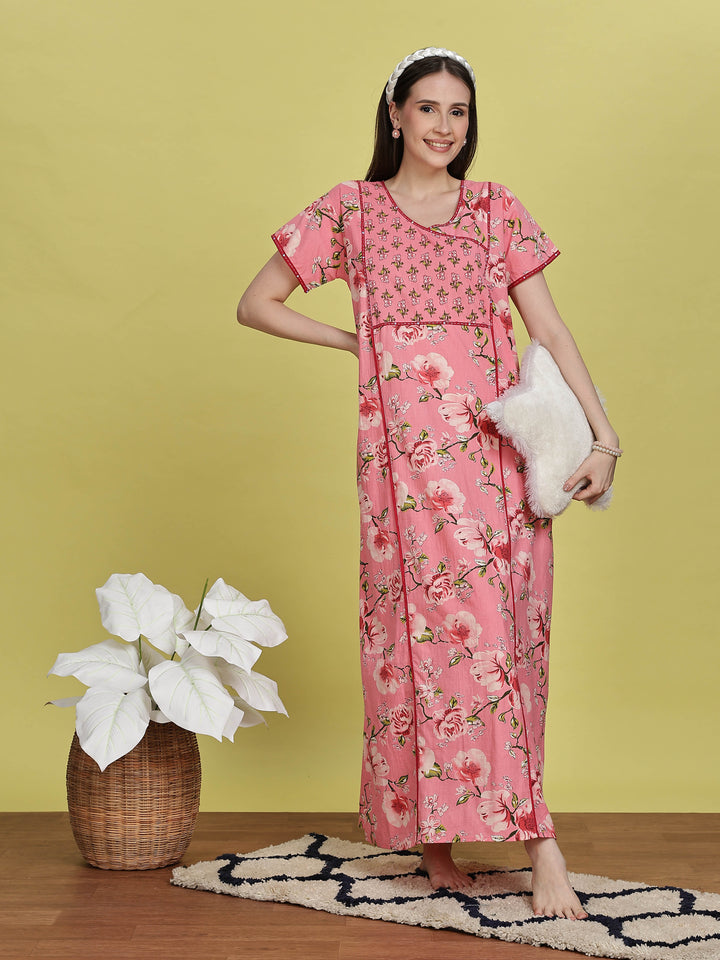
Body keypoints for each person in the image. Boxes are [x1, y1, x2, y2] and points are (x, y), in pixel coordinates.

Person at [237, 46, 620, 921]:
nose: (445, 126)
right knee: (415, 644)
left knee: (502, 642)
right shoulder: (350, 210)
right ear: (396, 114)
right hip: (402, 467)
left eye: (460, 111)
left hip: (494, 458)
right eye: (429, 108)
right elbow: (256, 303)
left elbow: (551, 331)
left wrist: (605, 438)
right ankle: (441, 840)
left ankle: (536, 839)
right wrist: (358, 343)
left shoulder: (495, 210)